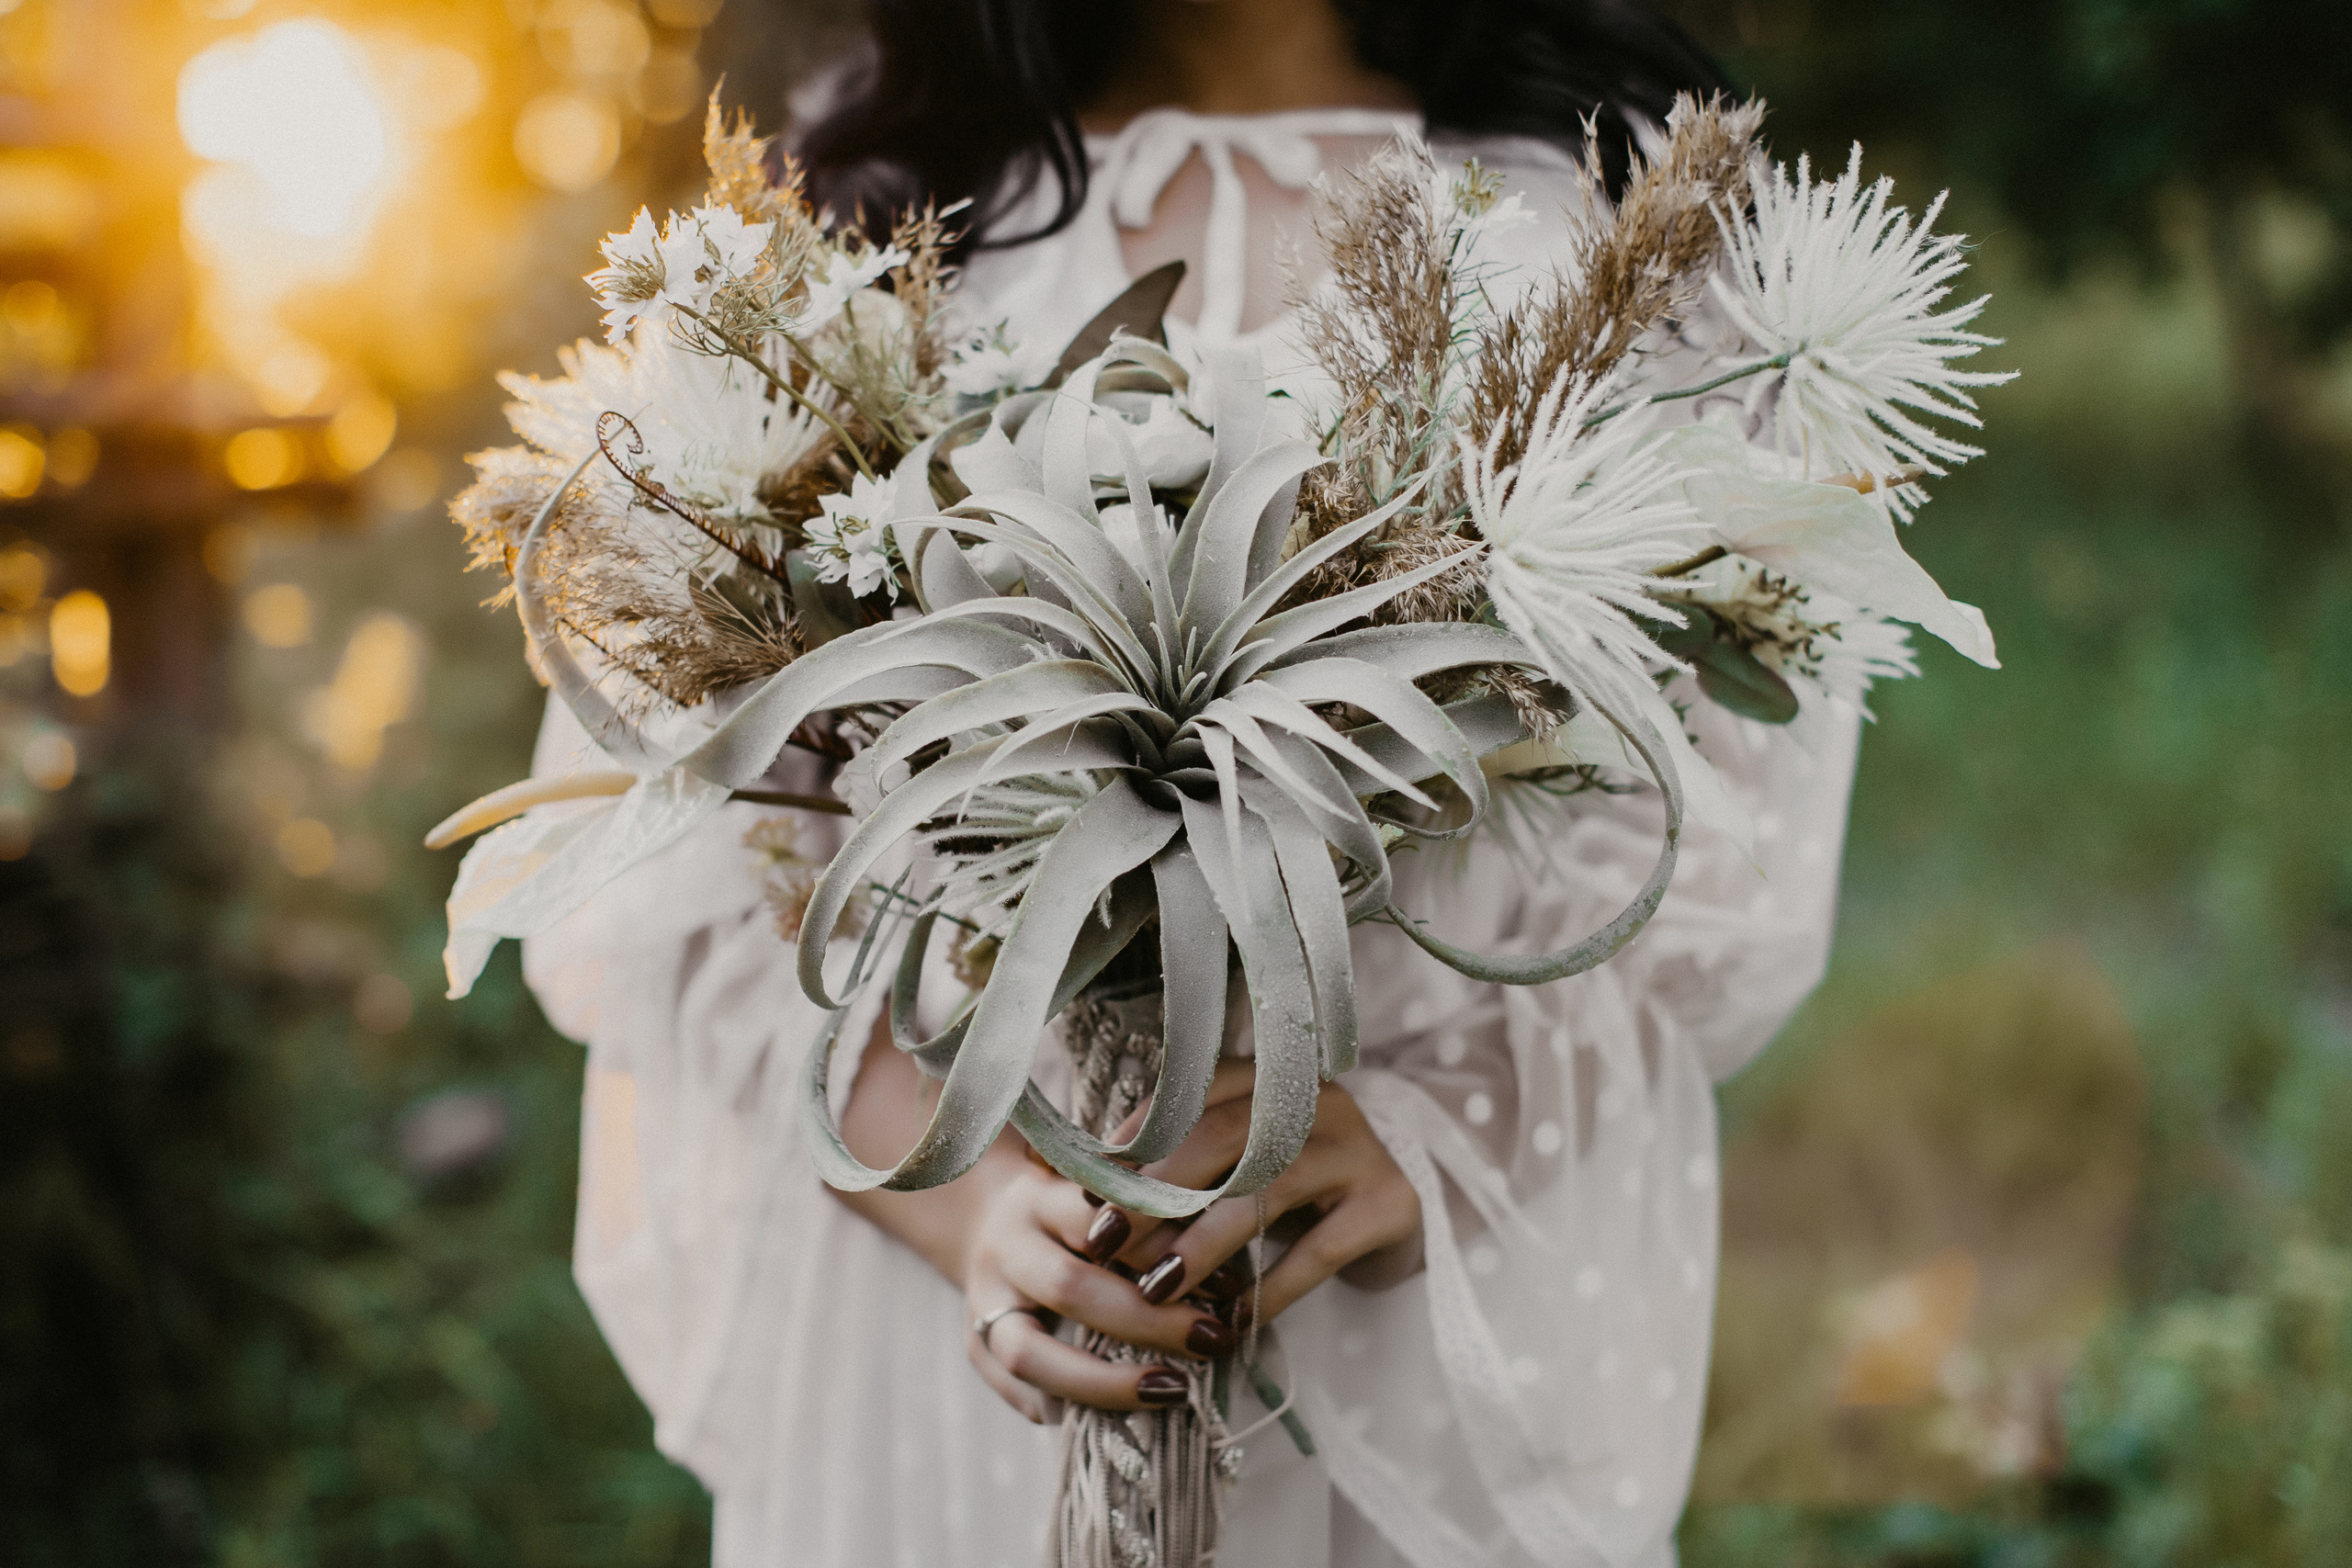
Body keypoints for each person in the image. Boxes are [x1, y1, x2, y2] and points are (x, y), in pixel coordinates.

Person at [524, 2, 1862, 1562]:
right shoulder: (856, 223)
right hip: (966, 1325)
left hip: (1363, 1302)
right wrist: (965, 1207)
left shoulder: (1622, 225)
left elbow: (1722, 834)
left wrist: (1441, 1135)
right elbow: (699, 854)